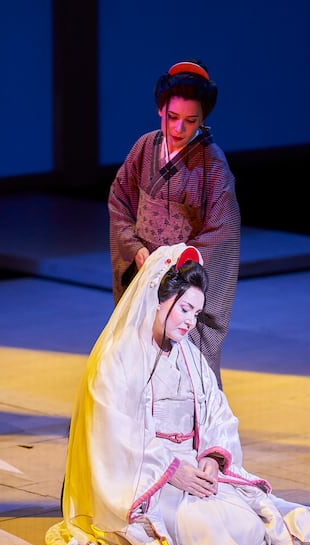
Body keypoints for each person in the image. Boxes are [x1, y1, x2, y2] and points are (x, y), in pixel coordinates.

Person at [33, 244, 310, 545]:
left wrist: (211, 459)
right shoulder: (118, 358)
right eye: (184, 309)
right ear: (157, 300)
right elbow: (113, 433)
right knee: (224, 529)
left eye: (196, 312)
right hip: (142, 479)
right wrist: (171, 470)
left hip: (190, 468)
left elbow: (217, 411)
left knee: (249, 527)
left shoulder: (188, 353)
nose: (190, 321)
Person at [107, 58, 241, 388]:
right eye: (172, 117)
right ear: (159, 110)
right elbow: (120, 201)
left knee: (187, 365)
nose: (179, 129)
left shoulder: (213, 164)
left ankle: (191, 434)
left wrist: (180, 265)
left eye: (190, 121)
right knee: (132, 352)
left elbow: (222, 231)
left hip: (181, 280)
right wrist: (135, 249)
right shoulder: (144, 148)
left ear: (204, 119)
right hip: (144, 273)